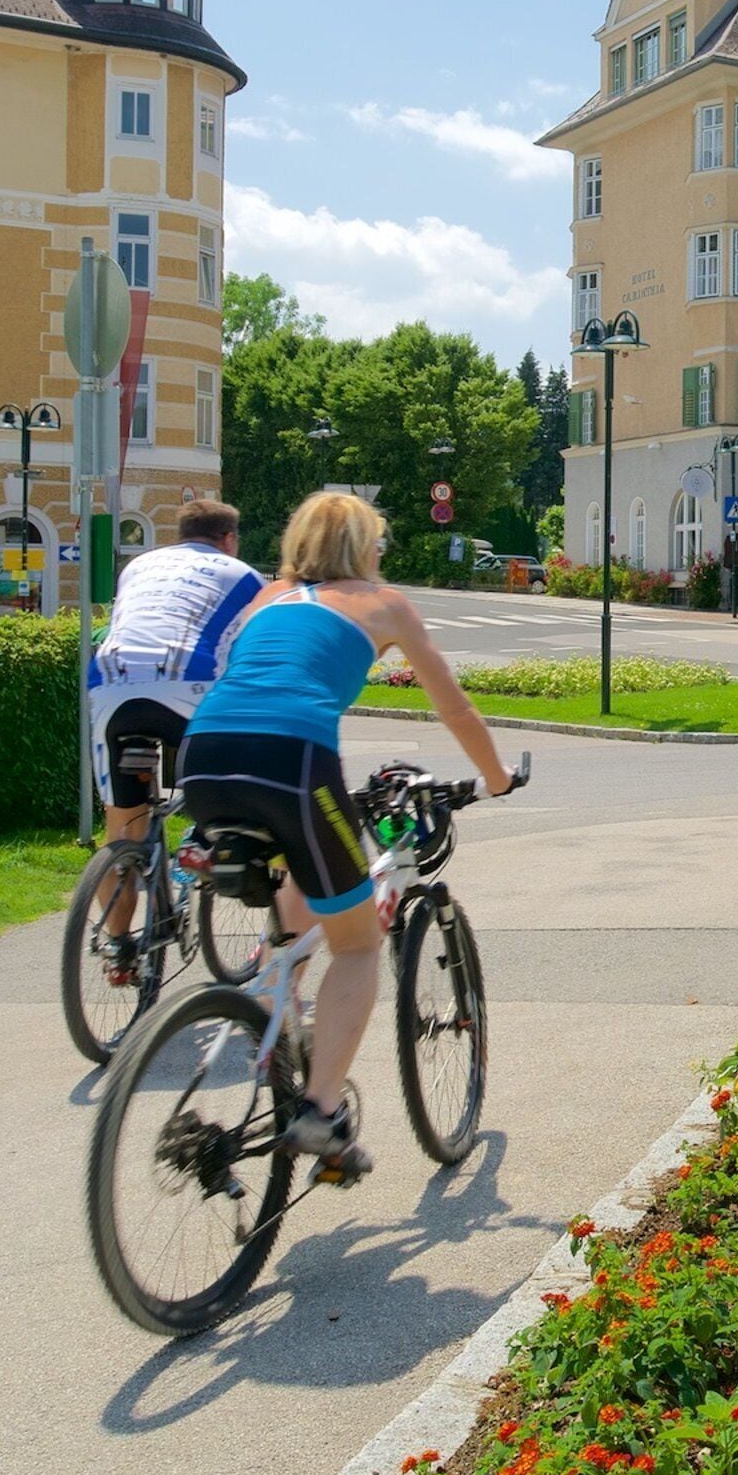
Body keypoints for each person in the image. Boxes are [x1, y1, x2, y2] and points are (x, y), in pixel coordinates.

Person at [180, 489, 511, 1186]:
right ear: (366, 548)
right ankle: (321, 1110)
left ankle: (278, 1018)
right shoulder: (384, 604)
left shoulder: (266, 598)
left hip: (204, 754)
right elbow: (452, 704)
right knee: (358, 942)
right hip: (293, 760)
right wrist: (496, 777)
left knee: (298, 900)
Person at [84, 496, 265, 952]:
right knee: (237, 772)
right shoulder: (243, 576)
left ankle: (119, 948)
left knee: (123, 825)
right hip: (187, 686)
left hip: (111, 683)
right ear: (229, 539)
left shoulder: (139, 567)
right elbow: (251, 653)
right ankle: (202, 842)